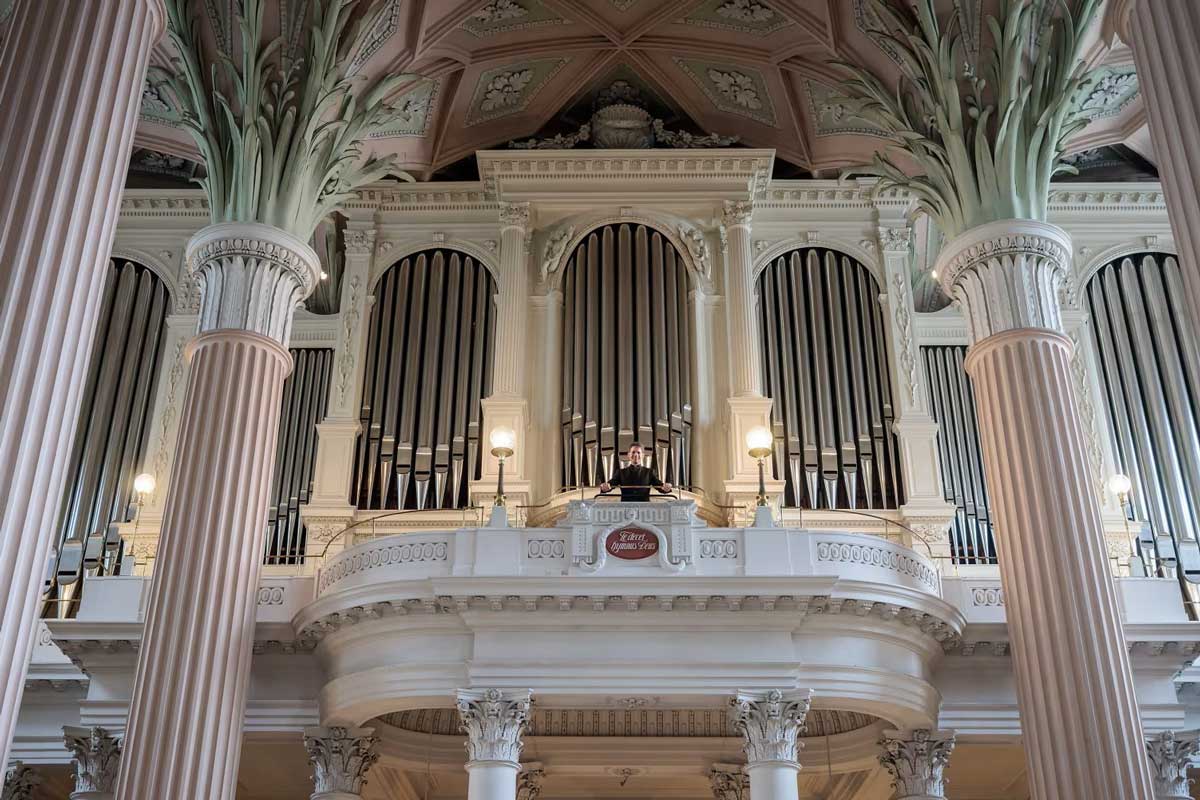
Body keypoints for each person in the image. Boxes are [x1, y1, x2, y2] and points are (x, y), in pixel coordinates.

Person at [599, 442, 673, 501]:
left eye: (638, 452)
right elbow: (610, 484)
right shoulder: (621, 473)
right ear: (628, 455)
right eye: (633, 452)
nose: (635, 455)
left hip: (644, 509)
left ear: (643, 455)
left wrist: (667, 487)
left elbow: (660, 487)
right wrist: (605, 487)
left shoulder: (649, 472)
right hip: (626, 508)